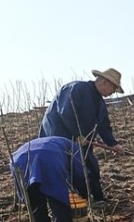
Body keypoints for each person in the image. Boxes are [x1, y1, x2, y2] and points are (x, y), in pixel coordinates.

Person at [40, 68, 125, 204]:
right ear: (104, 82)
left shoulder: (100, 102)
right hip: (61, 138)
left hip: (83, 141)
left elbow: (103, 126)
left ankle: (97, 198)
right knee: (73, 170)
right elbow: (66, 112)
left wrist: (112, 143)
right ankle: (81, 202)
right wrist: (77, 134)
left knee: (91, 167)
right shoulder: (77, 88)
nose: (112, 93)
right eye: (113, 89)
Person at [10, 137, 91, 222]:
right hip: (49, 157)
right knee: (58, 198)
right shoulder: (75, 148)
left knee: (33, 198)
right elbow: (79, 172)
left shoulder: (59, 141)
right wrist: (83, 193)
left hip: (17, 159)